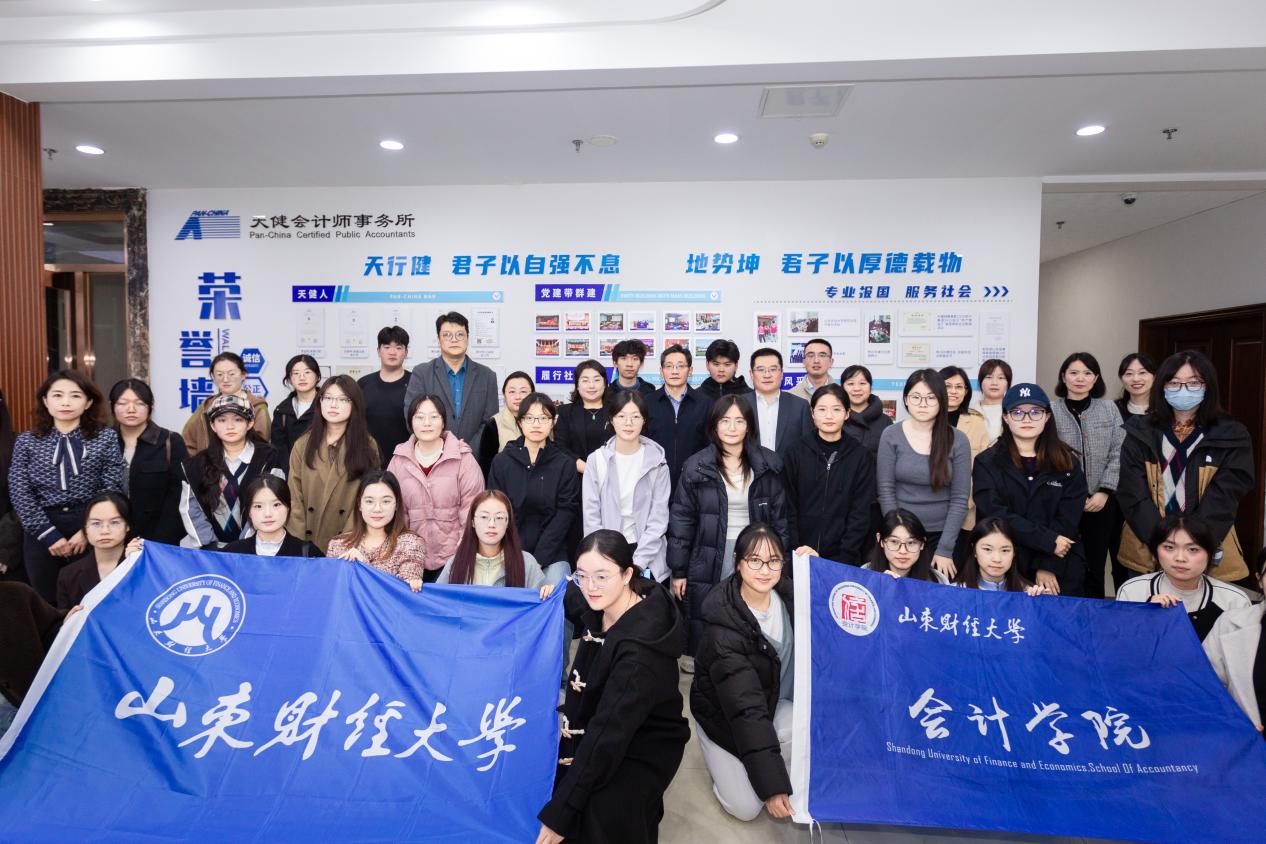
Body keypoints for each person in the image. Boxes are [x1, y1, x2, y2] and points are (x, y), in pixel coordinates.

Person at [535, 530, 688, 844]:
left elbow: (606, 737)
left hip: (644, 743)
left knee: (600, 813)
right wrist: (554, 592)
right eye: (583, 575)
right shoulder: (608, 598)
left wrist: (561, 816)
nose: (591, 587)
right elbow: (577, 596)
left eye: (602, 576)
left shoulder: (639, 656)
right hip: (605, 723)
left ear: (627, 574)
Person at [668, 395, 789, 663]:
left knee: (750, 611)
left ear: (749, 426)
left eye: (739, 421)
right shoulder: (696, 466)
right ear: (714, 425)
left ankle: (750, 662)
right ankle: (707, 663)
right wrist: (679, 570)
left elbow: (780, 520)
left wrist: (780, 563)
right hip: (710, 551)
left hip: (756, 554)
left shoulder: (769, 464)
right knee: (710, 611)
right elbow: (681, 520)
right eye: (725, 421)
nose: (732, 428)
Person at [1118, 350, 1255, 584]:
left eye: (1193, 382)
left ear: (1208, 386)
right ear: (1162, 386)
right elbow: (1132, 492)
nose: (1183, 389)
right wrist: (1163, 542)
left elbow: (1226, 494)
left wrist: (1193, 543)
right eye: (1174, 383)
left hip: (1207, 548)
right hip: (1147, 549)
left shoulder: (1231, 434)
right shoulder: (1140, 431)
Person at [690, 523, 795, 822]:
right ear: (737, 562)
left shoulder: (791, 596)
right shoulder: (724, 628)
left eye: (773, 560)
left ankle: (765, 760)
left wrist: (887, 585)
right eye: (754, 560)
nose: (765, 570)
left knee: (797, 731)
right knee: (747, 808)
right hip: (725, 717)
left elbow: (835, 605)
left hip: (773, 702)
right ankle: (714, 750)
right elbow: (746, 711)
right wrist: (772, 788)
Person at [9, 370, 127, 603]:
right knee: (46, 603)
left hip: (91, 524)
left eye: (75, 395)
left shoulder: (105, 438)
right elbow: (19, 490)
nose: (65, 402)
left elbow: (111, 486)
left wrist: (87, 530)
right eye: (57, 395)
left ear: (88, 402)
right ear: (45, 401)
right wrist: (48, 535)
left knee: (91, 598)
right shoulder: (26, 441)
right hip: (41, 526)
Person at [972, 383, 1088, 595]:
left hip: (1058, 563)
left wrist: (1046, 564)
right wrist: (1047, 541)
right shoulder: (987, 462)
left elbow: (1068, 520)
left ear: (1047, 417)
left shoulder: (1068, 463)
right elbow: (995, 514)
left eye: (1035, 412)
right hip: (1006, 563)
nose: (1027, 419)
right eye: (1017, 413)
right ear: (1006, 418)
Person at [876, 369, 971, 580]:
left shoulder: (958, 440)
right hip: (900, 535)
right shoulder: (891, 435)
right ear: (906, 400)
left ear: (941, 401)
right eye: (916, 397)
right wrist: (897, 536)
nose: (923, 404)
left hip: (942, 536)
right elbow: (885, 490)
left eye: (931, 398)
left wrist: (945, 549)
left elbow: (960, 499)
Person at [1049, 352, 1126, 599]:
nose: (1080, 378)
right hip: (1062, 502)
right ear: (1063, 377)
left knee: (1095, 563)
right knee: (1063, 560)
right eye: (1073, 373)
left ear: (1096, 378)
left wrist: (1105, 490)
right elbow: (1047, 455)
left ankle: (1094, 610)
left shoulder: (1109, 409)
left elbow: (1119, 451)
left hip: (1102, 502)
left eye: (1087, 373)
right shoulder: (1051, 410)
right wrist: (1072, 495)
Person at [487, 393, 580, 590]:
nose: (536, 424)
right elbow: (495, 509)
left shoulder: (564, 463)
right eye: (530, 418)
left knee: (555, 599)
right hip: (509, 552)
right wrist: (515, 554)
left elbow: (565, 513)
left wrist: (539, 559)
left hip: (552, 554)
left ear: (553, 422)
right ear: (520, 422)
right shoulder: (502, 461)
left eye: (543, 418)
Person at [388, 394, 485, 580]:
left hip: (455, 557)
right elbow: (395, 512)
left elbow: (472, 508)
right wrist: (403, 551)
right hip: (409, 558)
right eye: (419, 417)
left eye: (434, 417)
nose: (427, 423)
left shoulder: (463, 458)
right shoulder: (398, 461)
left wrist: (463, 549)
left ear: (443, 421)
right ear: (411, 422)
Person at [582, 391, 671, 582]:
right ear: (611, 420)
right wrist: (605, 558)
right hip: (606, 554)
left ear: (644, 420)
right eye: (621, 416)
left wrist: (637, 564)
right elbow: (591, 518)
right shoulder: (596, 461)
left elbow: (659, 519)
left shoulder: (658, 462)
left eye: (635, 417)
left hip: (647, 556)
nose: (628, 423)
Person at [1117, 513, 1250, 641]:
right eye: (1169, 547)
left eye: (1193, 549)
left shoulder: (1234, 600)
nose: (1180, 558)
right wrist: (1144, 615)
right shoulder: (1133, 591)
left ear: (1210, 554)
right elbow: (1121, 645)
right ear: (1155, 552)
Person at [286, 376, 380, 554]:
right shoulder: (303, 444)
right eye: (327, 398)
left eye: (342, 399)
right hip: (307, 540)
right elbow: (294, 497)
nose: (333, 405)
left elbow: (369, 497)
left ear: (355, 405)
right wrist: (299, 545)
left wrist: (347, 541)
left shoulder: (367, 446)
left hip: (348, 543)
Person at [179, 394, 287, 549]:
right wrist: (209, 546)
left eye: (238, 419)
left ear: (250, 423)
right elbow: (191, 510)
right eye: (222, 420)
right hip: (212, 552)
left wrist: (244, 546)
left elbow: (273, 504)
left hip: (257, 549)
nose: (230, 426)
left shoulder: (270, 459)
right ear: (213, 425)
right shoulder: (195, 465)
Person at [783, 384, 875, 564]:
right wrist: (795, 547)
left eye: (836, 409)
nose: (829, 416)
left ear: (847, 413)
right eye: (822, 409)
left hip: (844, 557)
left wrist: (846, 554)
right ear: (812, 413)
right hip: (800, 554)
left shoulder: (860, 456)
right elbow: (788, 506)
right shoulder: (795, 452)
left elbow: (860, 513)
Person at [110, 378, 188, 544]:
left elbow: (180, 495)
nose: (131, 409)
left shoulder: (170, 441)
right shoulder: (102, 441)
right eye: (123, 403)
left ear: (150, 406)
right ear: (112, 406)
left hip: (158, 538)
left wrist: (160, 541)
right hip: (109, 537)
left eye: (139, 403)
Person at [402, 312, 498, 446]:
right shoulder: (422, 373)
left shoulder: (487, 376)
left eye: (460, 334)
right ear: (438, 339)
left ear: (467, 338)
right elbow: (412, 417)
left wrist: (468, 451)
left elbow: (489, 422)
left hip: (474, 455)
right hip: (434, 453)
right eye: (447, 335)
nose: (454, 340)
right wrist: (441, 450)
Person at [327, 471, 426, 591]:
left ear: (396, 504)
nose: (377, 509)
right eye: (369, 501)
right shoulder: (338, 545)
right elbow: (331, 590)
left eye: (386, 501)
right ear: (359, 504)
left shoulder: (411, 544)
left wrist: (363, 566)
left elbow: (401, 593)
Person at [1202, 546, 1266, 730]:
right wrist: (1233, 724)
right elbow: (1206, 686)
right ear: (1259, 580)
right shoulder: (1229, 623)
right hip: (1243, 739)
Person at [437, 489, 545, 588]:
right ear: (473, 522)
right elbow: (437, 598)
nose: (492, 524)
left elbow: (543, 599)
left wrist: (548, 592)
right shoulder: (455, 563)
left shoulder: (526, 563)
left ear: (508, 523)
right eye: (484, 517)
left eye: (499, 517)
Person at [55, 492, 144, 609]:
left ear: (127, 526)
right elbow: (65, 618)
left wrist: (132, 564)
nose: (105, 531)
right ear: (85, 528)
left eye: (114, 522)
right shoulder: (68, 575)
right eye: (96, 523)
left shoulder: (143, 563)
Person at [939, 365, 990, 566]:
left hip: (965, 510)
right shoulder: (924, 420)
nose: (953, 391)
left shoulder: (977, 423)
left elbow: (983, 468)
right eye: (947, 386)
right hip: (929, 508)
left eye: (959, 387)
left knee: (958, 566)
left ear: (966, 391)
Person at [646, 345, 711, 493]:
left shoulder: (705, 403)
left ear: (690, 370)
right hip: (655, 482)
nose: (674, 371)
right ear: (661, 371)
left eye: (680, 366)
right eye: (669, 366)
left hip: (695, 483)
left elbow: (711, 446)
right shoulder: (647, 402)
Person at [181, 352, 271, 456]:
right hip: (210, 464)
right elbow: (188, 439)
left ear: (243, 374)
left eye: (231, 374)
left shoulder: (257, 406)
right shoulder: (207, 406)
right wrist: (200, 461)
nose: (225, 379)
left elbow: (262, 443)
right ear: (213, 377)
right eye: (219, 374)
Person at [220, 476, 320, 557]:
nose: (268, 514)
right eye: (258, 506)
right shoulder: (231, 554)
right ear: (249, 512)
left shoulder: (308, 554)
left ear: (288, 507)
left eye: (276, 505)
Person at [740, 348, 811, 459]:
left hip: (788, 469)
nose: (767, 375)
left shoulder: (800, 406)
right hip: (749, 468)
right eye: (761, 370)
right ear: (751, 374)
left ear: (782, 373)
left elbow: (808, 447)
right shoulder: (739, 404)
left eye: (773, 369)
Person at [358, 325, 412, 468]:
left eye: (398, 348)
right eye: (387, 347)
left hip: (406, 462)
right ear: (378, 351)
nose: (392, 352)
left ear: (406, 352)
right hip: (368, 462)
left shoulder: (416, 383)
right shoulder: (363, 384)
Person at [954, 516, 1050, 595]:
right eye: (987, 549)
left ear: (1014, 552)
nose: (997, 559)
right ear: (974, 550)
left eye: (1005, 550)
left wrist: (1041, 603)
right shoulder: (955, 593)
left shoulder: (1027, 592)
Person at [555, 359, 612, 475]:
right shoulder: (565, 412)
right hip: (575, 477)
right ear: (577, 385)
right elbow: (560, 448)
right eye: (585, 380)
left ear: (605, 384)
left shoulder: (617, 411)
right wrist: (588, 470)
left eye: (597, 380)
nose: (591, 385)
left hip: (612, 475)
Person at [864, 509, 949, 583]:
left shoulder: (938, 582)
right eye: (894, 541)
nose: (903, 551)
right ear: (880, 540)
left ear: (922, 544)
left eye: (911, 543)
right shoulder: (863, 575)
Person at [477, 371, 534, 476]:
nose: (518, 397)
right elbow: (486, 467)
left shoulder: (543, 422)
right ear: (504, 395)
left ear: (532, 394)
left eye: (523, 391)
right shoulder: (494, 424)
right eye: (512, 392)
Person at [271, 354, 321, 460]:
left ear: (317, 376)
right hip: (289, 468)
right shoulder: (282, 411)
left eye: (307, 372)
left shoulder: (327, 406)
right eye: (296, 373)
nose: (302, 377)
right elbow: (278, 448)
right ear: (289, 379)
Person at [840, 364, 892, 458]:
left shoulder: (885, 421)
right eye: (851, 384)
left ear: (871, 387)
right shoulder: (835, 418)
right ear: (842, 388)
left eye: (862, 383)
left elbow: (889, 457)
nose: (857, 389)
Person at [975, 358, 1012, 444]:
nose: (994, 383)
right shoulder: (969, 411)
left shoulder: (1015, 412)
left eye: (1001, 378)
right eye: (989, 377)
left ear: (1008, 383)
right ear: (980, 382)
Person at [1116, 352, 1156, 419]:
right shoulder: (1113, 409)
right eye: (1129, 373)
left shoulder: (1167, 409)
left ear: (1154, 377)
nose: (1136, 379)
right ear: (1121, 379)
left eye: (1142, 372)